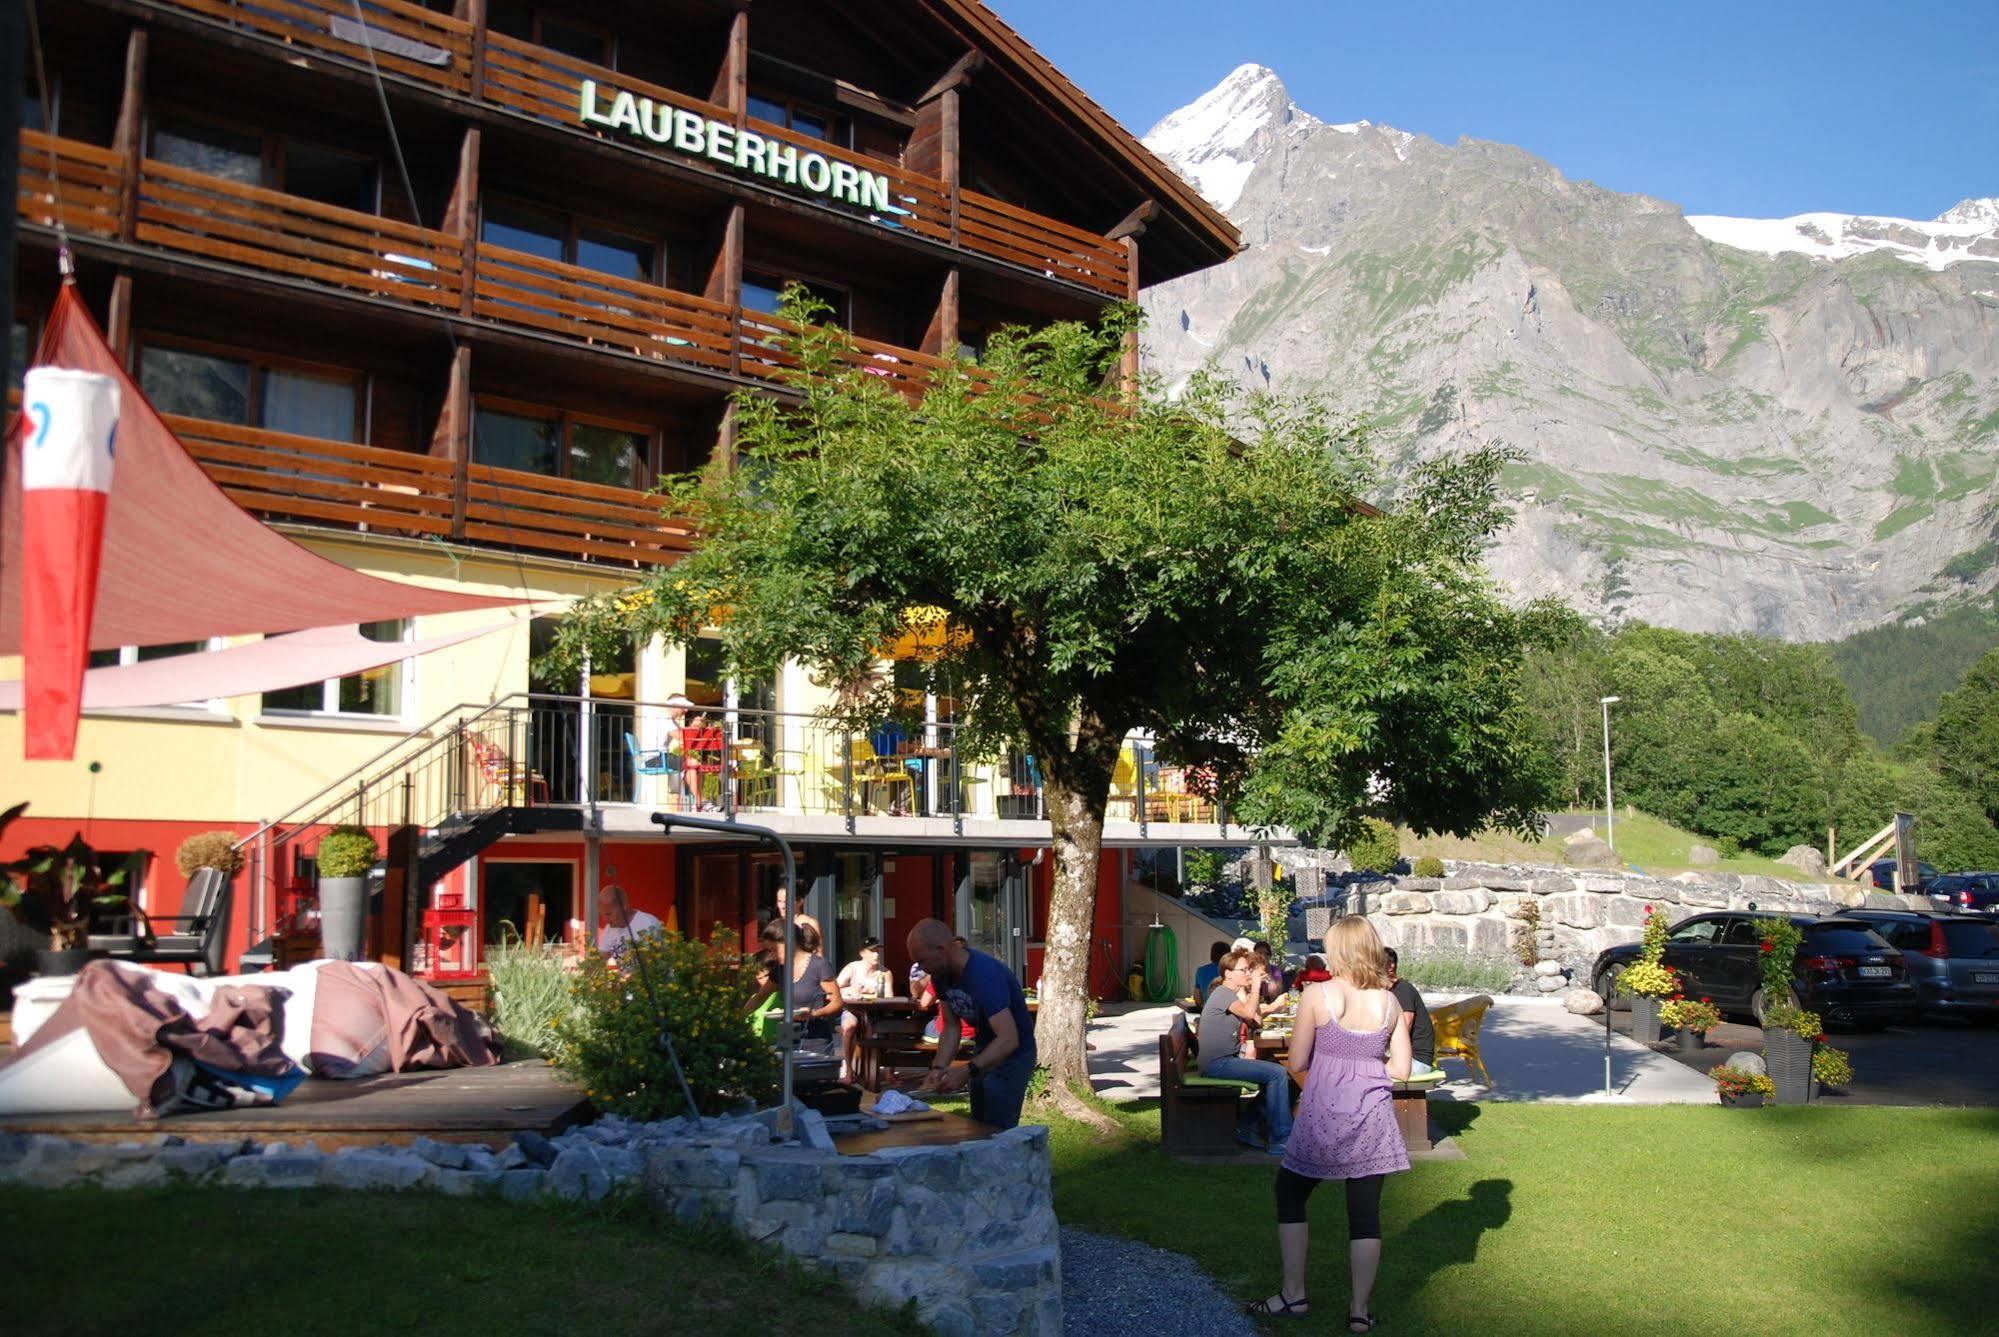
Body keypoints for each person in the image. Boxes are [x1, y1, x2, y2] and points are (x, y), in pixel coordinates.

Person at [1251, 916, 1413, 1328]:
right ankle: (1359, 1312)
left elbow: (1299, 1061)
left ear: (1337, 949)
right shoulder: (1390, 1003)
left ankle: (1293, 1294)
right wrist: (1367, 1066)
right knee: (1365, 1215)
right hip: (1372, 1116)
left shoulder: (1318, 995)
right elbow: (1404, 1069)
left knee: (1290, 1193)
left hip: (1323, 1112)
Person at [906, 918, 1036, 1129]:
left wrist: (967, 1070)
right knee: (977, 1127)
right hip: (984, 1048)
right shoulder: (941, 975)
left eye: (922, 961)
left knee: (996, 1129)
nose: (921, 969)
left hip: (1013, 1055)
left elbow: (1009, 1039)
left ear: (941, 950)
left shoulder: (984, 975)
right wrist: (939, 1067)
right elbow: (950, 1026)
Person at [1196, 949, 1292, 1155]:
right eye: (1243, 970)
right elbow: (1250, 1013)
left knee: (1278, 1074)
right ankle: (1281, 1140)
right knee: (1278, 1073)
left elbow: (1254, 1019)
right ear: (1228, 973)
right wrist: (1256, 985)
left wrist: (1254, 988)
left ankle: (1247, 1126)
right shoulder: (1223, 993)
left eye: (1249, 969)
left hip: (1222, 1060)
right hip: (1217, 1064)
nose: (1248, 973)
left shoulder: (1229, 994)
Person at [836, 936, 894, 1084]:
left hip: (877, 1012)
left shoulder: (885, 972)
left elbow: (889, 997)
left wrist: (873, 993)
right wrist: (851, 990)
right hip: (853, 1010)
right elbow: (835, 990)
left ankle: (888, 1072)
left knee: (891, 1027)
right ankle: (849, 1070)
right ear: (862, 953)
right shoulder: (852, 968)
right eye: (872, 951)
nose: (876, 955)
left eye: (877, 951)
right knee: (849, 1027)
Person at [786, 922, 843, 1053]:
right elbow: (761, 995)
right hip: (788, 1032)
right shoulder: (781, 966)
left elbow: (837, 1002)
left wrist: (815, 1013)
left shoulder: (819, 965)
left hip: (816, 1036)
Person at [1383, 947, 1437, 1075]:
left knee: (1366, 1068)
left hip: (1417, 1062)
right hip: (1407, 1060)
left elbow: (1405, 1025)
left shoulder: (1402, 990)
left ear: (1391, 966)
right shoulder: (1391, 991)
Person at [596, 885, 661, 958]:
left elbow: (655, 962)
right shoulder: (609, 929)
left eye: (609, 914)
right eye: (602, 915)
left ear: (624, 906)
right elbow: (601, 960)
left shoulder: (647, 923)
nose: (605, 919)